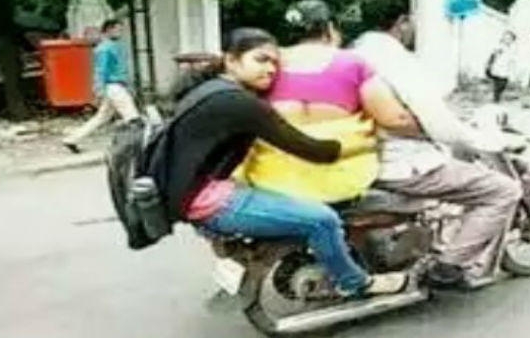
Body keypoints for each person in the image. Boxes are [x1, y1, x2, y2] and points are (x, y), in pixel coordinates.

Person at [157, 27, 408, 297]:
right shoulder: (240, 104)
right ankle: (354, 283)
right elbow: (310, 149)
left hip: (193, 194)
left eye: (275, 63)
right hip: (211, 203)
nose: (270, 69)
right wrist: (363, 141)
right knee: (323, 220)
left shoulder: (210, 90)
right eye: (261, 59)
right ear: (231, 60)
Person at [352, 0, 523, 285]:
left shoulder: (353, 52)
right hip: (401, 165)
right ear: (403, 21)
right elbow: (438, 124)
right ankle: (448, 267)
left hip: (358, 158)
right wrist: (478, 139)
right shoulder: (395, 59)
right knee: (503, 191)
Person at [237, 0, 416, 203]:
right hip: (341, 181)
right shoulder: (352, 64)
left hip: (272, 180)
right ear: (330, 29)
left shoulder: (266, 65)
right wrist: (427, 130)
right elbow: (394, 119)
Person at [62, 19, 140, 153]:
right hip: (114, 87)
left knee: (101, 117)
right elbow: (100, 71)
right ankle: (135, 146)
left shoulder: (112, 46)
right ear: (108, 30)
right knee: (133, 119)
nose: (120, 32)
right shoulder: (105, 49)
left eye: (120, 29)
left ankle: (72, 139)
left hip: (115, 86)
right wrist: (99, 90)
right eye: (117, 29)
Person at [486, 31, 517, 103]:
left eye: (509, 39)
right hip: (498, 66)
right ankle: (496, 98)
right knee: (497, 83)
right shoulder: (500, 46)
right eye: (506, 38)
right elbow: (493, 55)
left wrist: (512, 66)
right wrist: (489, 64)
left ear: (512, 40)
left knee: (504, 83)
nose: (507, 40)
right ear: (503, 39)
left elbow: (513, 58)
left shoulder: (512, 48)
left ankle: (498, 95)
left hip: (506, 67)